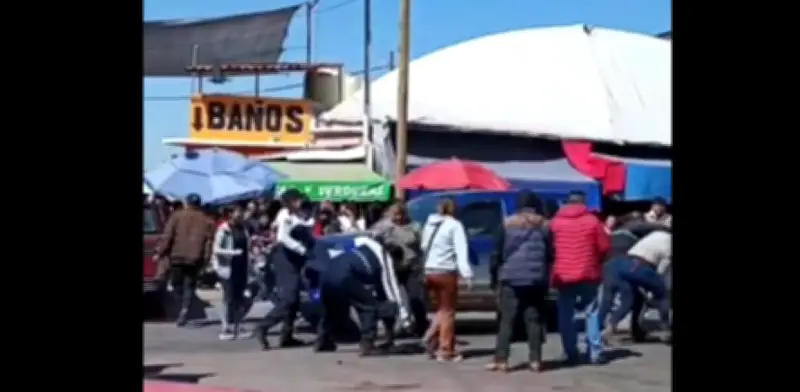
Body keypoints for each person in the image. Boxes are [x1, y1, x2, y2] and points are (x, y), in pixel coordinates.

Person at [307, 236, 411, 356]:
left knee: (333, 310)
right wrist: (405, 319)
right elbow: (390, 291)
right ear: (394, 259)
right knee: (369, 307)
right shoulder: (385, 258)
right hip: (345, 275)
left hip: (326, 274)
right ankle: (368, 344)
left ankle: (322, 340)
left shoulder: (362, 249)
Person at [486, 191, 553, 372]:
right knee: (534, 319)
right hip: (536, 278)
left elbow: (497, 254)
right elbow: (550, 254)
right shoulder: (545, 226)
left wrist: (494, 276)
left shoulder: (506, 224)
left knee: (507, 319)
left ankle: (501, 359)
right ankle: (535, 360)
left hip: (511, 277)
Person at [549, 191, 610, 365]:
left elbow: (550, 249)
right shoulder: (593, 221)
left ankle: (570, 352)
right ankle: (595, 353)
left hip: (563, 274)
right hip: (588, 273)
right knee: (591, 312)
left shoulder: (555, 223)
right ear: (583, 203)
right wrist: (596, 261)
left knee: (566, 314)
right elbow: (604, 246)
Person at [255, 189, 314, 350]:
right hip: (284, 258)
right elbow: (283, 237)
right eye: (296, 200)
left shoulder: (299, 215)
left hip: (295, 260)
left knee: (294, 300)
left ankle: (286, 336)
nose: (299, 203)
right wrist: (302, 250)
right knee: (289, 298)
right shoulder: (285, 215)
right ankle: (263, 327)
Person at [599, 213, 670, 342]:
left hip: (622, 265)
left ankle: (609, 328)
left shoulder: (652, 235)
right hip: (639, 266)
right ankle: (666, 329)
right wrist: (655, 285)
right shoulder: (668, 242)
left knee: (631, 299)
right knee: (663, 295)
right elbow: (662, 269)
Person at [420, 198, 473, 362]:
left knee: (441, 310)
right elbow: (461, 252)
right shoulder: (455, 226)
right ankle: (446, 350)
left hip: (429, 271)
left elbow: (423, 246)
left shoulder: (429, 225)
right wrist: (467, 274)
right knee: (448, 311)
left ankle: (429, 339)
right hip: (446, 272)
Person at [154, 193, 215, 327]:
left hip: (177, 256)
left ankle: (181, 306)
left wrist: (160, 252)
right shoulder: (207, 220)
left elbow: (168, 236)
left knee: (177, 285)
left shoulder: (176, 216)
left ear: (186, 203)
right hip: (195, 258)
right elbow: (208, 243)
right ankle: (185, 309)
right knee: (190, 285)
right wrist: (206, 260)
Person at [371, 202, 428, 337]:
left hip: (411, 267)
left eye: (400, 215)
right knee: (392, 299)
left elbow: (423, 247)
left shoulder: (414, 227)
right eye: (395, 215)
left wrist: (423, 266)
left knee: (415, 298)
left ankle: (421, 327)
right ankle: (391, 329)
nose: (398, 218)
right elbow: (372, 240)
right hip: (392, 269)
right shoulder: (382, 227)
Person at [211, 205, 252, 340]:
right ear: (230, 214)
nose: (240, 214)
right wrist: (232, 253)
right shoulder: (223, 230)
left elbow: (247, 247)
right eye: (237, 212)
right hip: (227, 268)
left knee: (241, 297)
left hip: (242, 267)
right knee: (228, 298)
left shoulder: (243, 228)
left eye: (241, 211)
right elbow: (216, 249)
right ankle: (226, 327)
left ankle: (238, 325)